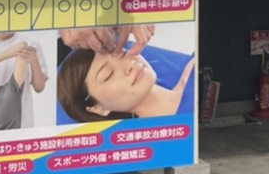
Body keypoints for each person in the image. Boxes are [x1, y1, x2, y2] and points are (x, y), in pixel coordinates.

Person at [56, 33, 195, 124]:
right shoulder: (159, 150)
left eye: (122, 53)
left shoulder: (195, 65)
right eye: (108, 74)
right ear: (99, 108)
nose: (128, 64)